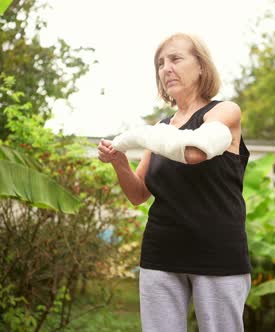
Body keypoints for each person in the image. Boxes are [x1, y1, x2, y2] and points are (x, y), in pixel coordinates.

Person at [97, 32, 251, 332]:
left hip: (217, 255)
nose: (166, 68)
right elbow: (138, 194)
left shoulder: (225, 112)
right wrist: (119, 162)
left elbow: (195, 151)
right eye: (160, 63)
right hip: (161, 253)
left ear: (202, 67)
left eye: (176, 59)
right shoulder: (162, 129)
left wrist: (135, 136)